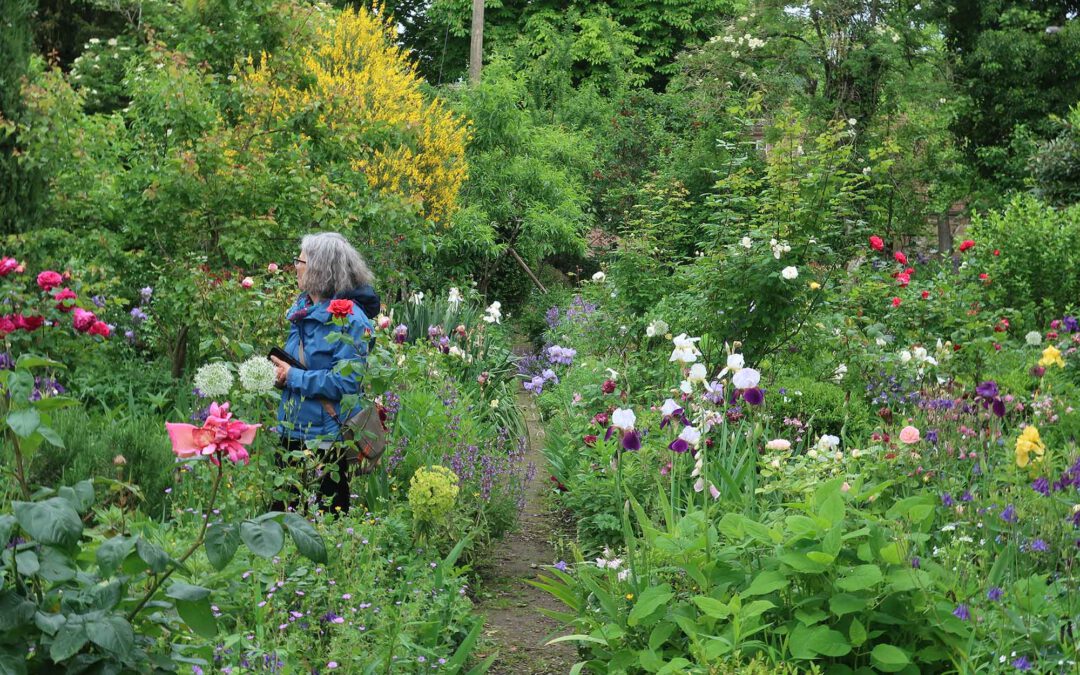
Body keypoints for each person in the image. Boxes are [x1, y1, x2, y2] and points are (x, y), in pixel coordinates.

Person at [270, 233, 377, 513]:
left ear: (320, 268)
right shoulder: (303, 312)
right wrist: (282, 376)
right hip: (292, 428)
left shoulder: (350, 319)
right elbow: (302, 367)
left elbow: (345, 382)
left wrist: (293, 376)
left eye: (301, 261)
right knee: (283, 516)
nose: (296, 266)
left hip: (326, 437)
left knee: (327, 518)